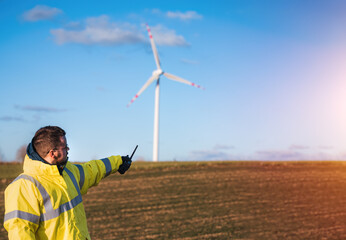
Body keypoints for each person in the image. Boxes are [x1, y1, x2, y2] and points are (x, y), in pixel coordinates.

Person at [3, 126, 132, 239]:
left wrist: (118, 162)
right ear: (53, 153)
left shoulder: (67, 171)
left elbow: (92, 170)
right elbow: (19, 233)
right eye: (65, 147)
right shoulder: (23, 187)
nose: (68, 149)